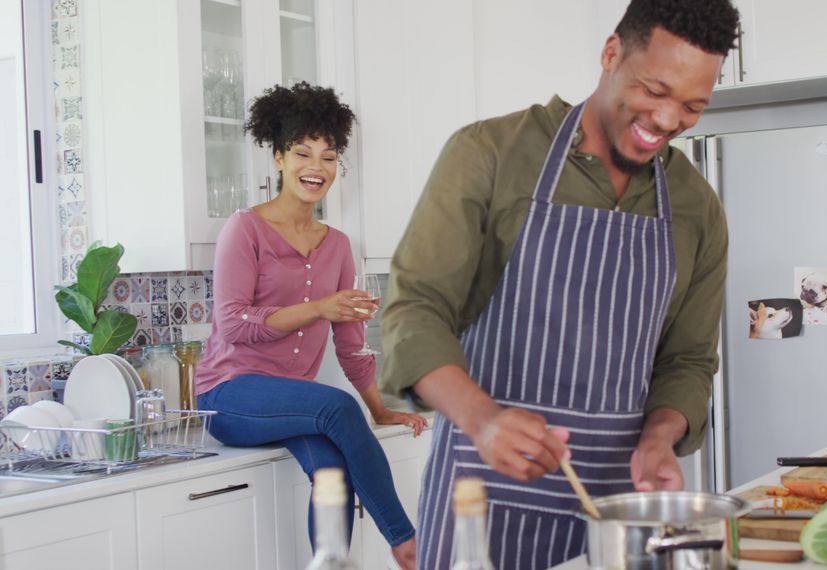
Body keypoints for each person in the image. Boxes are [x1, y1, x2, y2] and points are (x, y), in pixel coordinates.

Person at [379, 0, 739, 567]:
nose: (669, 121)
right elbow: (413, 312)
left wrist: (660, 438)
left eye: (693, 106)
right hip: (482, 501)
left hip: (621, 517)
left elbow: (689, 361)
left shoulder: (696, 206)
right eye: (655, 91)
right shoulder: (490, 154)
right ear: (611, 52)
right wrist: (484, 419)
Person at [194, 82, 426, 569]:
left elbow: (351, 345)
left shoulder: (338, 245)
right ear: (278, 158)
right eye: (303, 153)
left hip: (290, 400)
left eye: (328, 156)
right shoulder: (244, 229)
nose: (316, 167)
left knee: (331, 472)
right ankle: (406, 543)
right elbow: (234, 326)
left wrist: (380, 409)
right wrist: (320, 307)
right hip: (229, 396)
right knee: (337, 408)